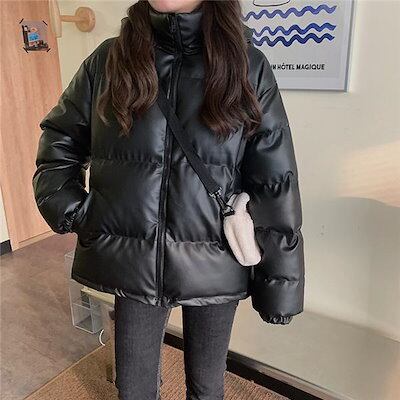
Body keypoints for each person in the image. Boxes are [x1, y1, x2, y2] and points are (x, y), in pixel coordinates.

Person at [32, 0, 305, 399]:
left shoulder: (246, 65)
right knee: (133, 389)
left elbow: (274, 177)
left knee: (207, 387)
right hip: (132, 261)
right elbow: (60, 139)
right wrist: (78, 212)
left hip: (216, 257)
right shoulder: (108, 61)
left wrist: (280, 282)